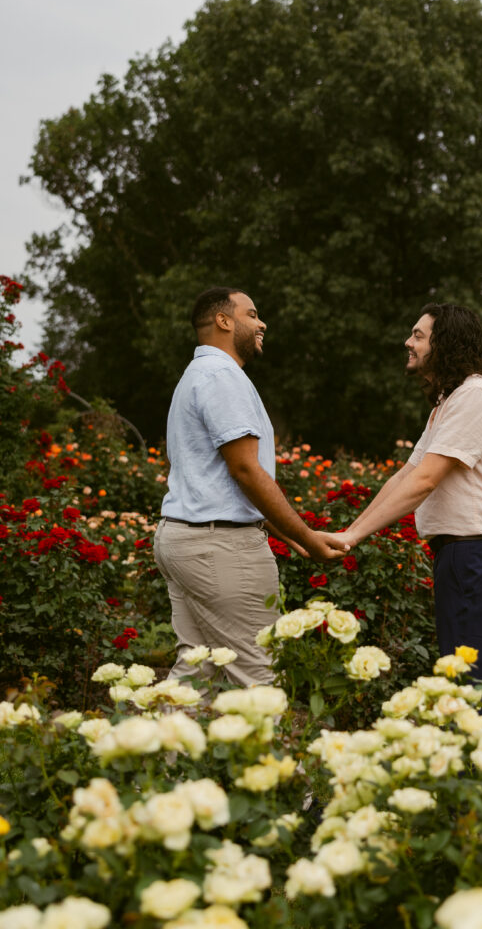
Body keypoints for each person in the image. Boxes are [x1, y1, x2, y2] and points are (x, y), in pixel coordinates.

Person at [154, 286, 347, 687]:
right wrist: (305, 536)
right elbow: (244, 470)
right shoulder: (223, 376)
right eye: (253, 314)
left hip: (185, 539)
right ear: (224, 321)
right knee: (260, 678)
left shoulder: (195, 376)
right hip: (219, 549)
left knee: (197, 675)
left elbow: (217, 481)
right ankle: (269, 752)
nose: (262, 323)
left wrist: (286, 536)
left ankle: (146, 751)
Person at [336, 304, 482, 690]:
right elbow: (407, 474)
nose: (408, 342)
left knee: (469, 689)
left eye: (419, 336)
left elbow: (424, 481)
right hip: (470, 555)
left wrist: (352, 538)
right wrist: (348, 532)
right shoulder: (450, 400)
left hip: (478, 556)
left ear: (447, 343)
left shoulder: (475, 395)